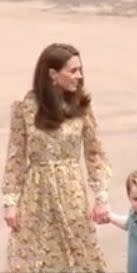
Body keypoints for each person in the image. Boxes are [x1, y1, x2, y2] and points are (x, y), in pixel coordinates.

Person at [1, 43, 110, 272]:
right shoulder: (24, 106)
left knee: (79, 252)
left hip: (71, 192)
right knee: (32, 254)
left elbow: (94, 153)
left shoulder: (82, 106)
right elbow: (16, 157)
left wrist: (101, 197)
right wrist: (10, 203)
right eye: (73, 71)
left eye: (80, 70)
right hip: (35, 194)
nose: (79, 77)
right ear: (52, 74)